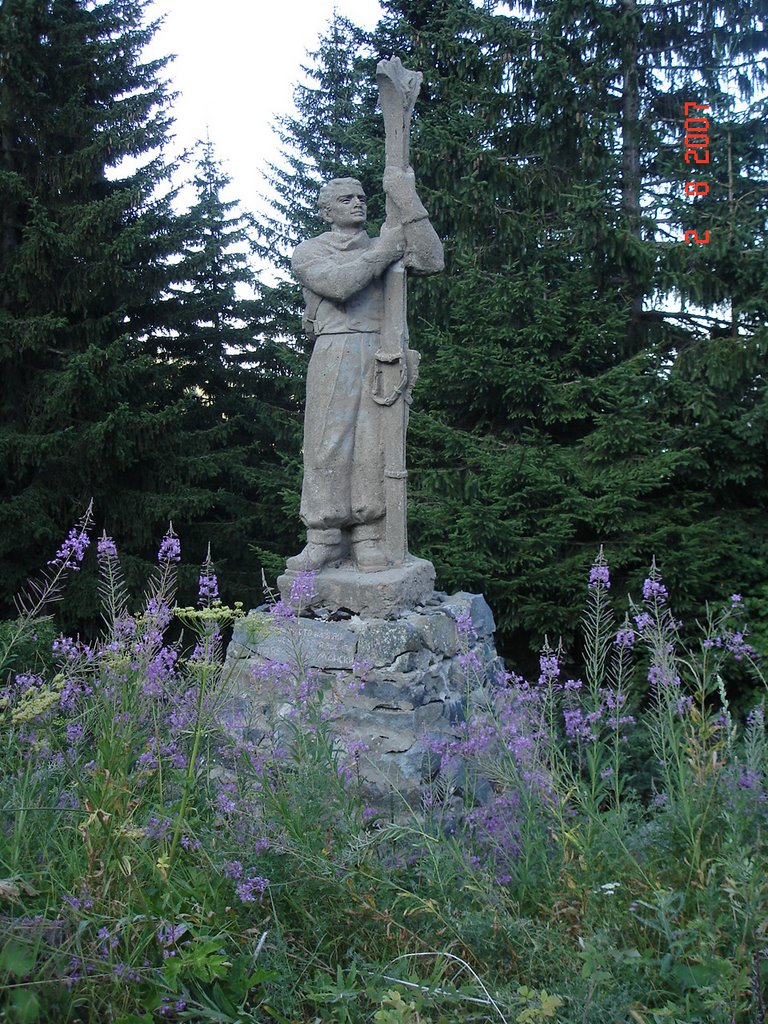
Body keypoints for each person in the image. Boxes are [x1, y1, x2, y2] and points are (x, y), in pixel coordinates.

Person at [286, 169, 443, 572]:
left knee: (374, 444)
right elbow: (339, 285)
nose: (358, 203)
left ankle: (368, 535)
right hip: (334, 349)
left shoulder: (386, 241)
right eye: (346, 199)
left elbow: (431, 259)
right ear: (326, 212)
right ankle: (323, 538)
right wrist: (383, 253)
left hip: (380, 351)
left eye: (361, 197)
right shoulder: (309, 252)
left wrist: (407, 202)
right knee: (327, 442)